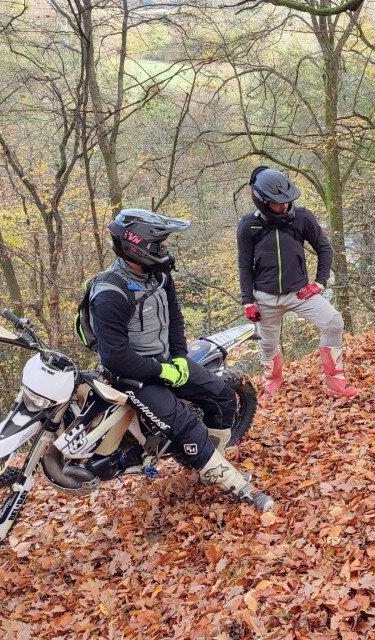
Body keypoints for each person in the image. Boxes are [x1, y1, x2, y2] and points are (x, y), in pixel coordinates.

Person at [89, 208, 274, 511]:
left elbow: (175, 320)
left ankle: (210, 464)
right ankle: (243, 489)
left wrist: (178, 358)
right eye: (159, 246)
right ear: (138, 246)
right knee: (186, 426)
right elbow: (114, 356)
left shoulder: (159, 277)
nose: (165, 251)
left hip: (166, 361)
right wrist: (161, 371)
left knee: (223, 397)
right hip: (131, 375)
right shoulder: (110, 291)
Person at [237, 166, 359, 399]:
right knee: (267, 343)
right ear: (262, 200)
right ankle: (272, 382)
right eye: (277, 202)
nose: (284, 206)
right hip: (265, 297)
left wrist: (320, 283)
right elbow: (244, 264)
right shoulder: (248, 226)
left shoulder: (302, 218)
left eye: (287, 201)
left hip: (300, 293)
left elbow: (324, 249)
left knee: (333, 321)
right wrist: (247, 301)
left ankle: (336, 381)